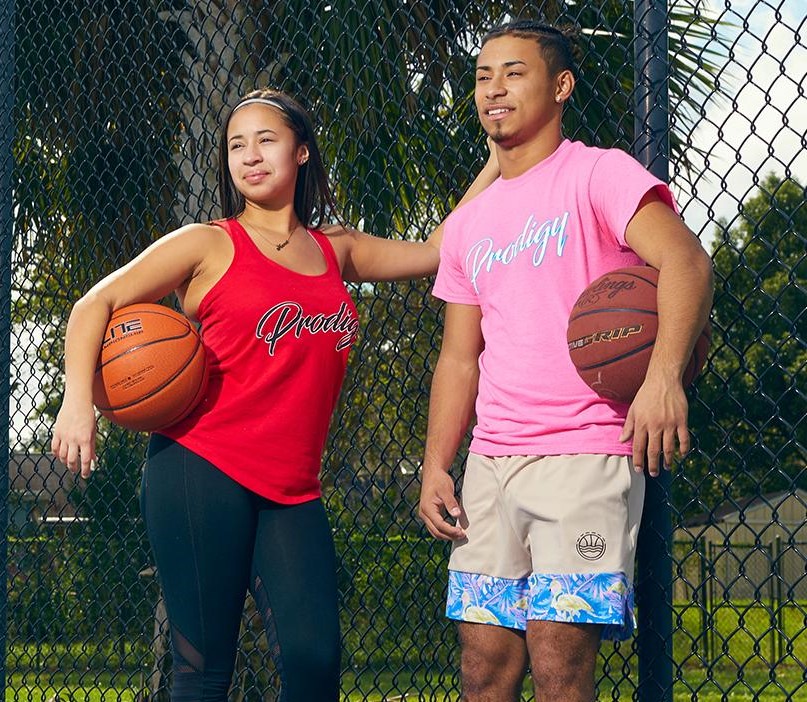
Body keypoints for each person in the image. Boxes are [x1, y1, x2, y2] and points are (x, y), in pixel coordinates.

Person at [51, 87, 498, 702]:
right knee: (204, 670)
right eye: (237, 145)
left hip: (292, 488)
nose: (250, 156)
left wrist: (501, 154)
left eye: (266, 140)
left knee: (316, 664)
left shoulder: (334, 249)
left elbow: (439, 250)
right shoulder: (208, 242)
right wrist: (79, 401)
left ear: (303, 152)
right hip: (199, 468)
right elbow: (93, 305)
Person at [418, 20, 714, 702]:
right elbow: (459, 358)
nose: (492, 89)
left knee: (558, 664)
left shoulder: (597, 173)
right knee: (482, 665)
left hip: (586, 454)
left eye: (512, 73)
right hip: (491, 465)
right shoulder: (467, 224)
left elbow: (686, 260)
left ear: (560, 86)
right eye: (482, 75)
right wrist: (438, 463)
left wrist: (663, 376)